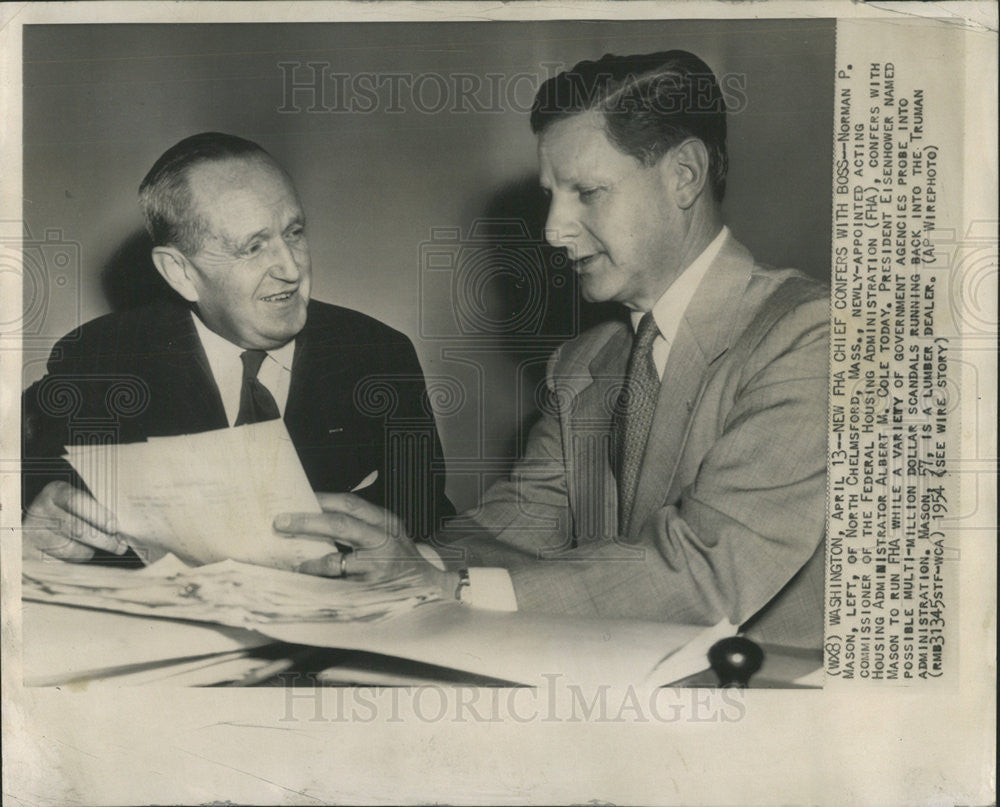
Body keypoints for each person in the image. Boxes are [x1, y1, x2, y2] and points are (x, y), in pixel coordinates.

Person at [275, 50, 829, 649]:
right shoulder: (585, 361)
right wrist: (406, 561)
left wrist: (453, 588)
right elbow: (515, 527)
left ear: (684, 176)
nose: (552, 229)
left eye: (587, 192)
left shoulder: (807, 335)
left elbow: (707, 571)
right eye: (551, 195)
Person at [22, 132, 453, 564]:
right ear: (179, 272)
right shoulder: (99, 360)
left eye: (295, 232)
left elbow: (427, 519)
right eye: (253, 247)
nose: (291, 269)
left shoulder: (378, 357)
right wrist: (29, 522)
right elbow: (34, 494)